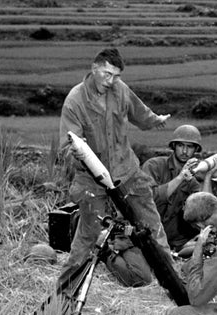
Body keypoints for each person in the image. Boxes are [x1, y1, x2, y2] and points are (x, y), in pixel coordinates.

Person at [56, 47, 172, 292]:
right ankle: (65, 290)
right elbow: (66, 146)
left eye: (116, 76)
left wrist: (156, 120)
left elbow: (141, 113)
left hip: (127, 170)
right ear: (94, 68)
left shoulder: (121, 90)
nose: (111, 81)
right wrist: (77, 152)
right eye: (107, 74)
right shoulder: (75, 101)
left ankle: (171, 281)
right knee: (87, 236)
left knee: (152, 224)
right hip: (91, 178)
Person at [141, 124, 215, 255]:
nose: (185, 151)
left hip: (175, 241)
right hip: (147, 234)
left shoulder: (192, 182)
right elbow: (149, 199)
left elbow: (205, 209)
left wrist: (208, 175)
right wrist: (180, 177)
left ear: (195, 149)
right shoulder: (154, 166)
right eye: (181, 145)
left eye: (190, 147)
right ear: (174, 146)